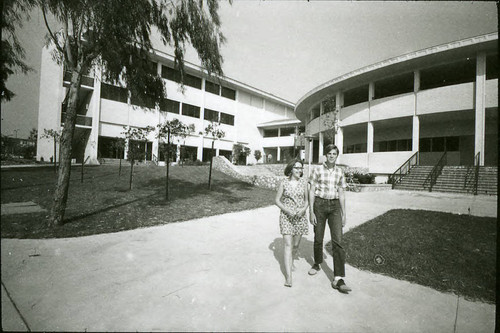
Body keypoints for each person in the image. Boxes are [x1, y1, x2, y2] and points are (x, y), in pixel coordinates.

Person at [308, 144, 351, 293]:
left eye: (334, 153)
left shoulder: (340, 171)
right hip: (319, 205)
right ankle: (317, 263)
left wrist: (344, 213)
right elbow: (312, 190)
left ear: (336, 156)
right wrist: (311, 212)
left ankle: (338, 277)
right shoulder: (317, 169)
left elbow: (342, 193)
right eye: (329, 153)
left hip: (334, 207)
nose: (332, 156)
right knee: (318, 237)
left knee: (338, 241)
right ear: (325, 155)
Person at [275, 159, 309, 287]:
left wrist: (303, 209)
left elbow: (307, 201)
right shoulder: (284, 182)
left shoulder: (304, 183)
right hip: (286, 217)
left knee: (295, 245)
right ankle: (289, 277)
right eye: (296, 168)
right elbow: (277, 200)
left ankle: (291, 260)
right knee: (288, 245)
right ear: (290, 169)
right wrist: (287, 210)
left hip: (300, 217)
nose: (299, 170)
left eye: (301, 168)